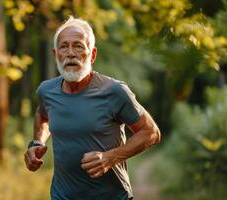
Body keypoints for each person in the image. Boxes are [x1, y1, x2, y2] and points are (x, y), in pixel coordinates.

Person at [24, 16, 161, 200]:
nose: (70, 53)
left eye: (78, 46)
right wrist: (37, 142)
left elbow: (151, 133)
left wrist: (111, 157)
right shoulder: (47, 91)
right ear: (56, 54)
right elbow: (42, 114)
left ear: (93, 54)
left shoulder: (115, 91)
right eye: (64, 46)